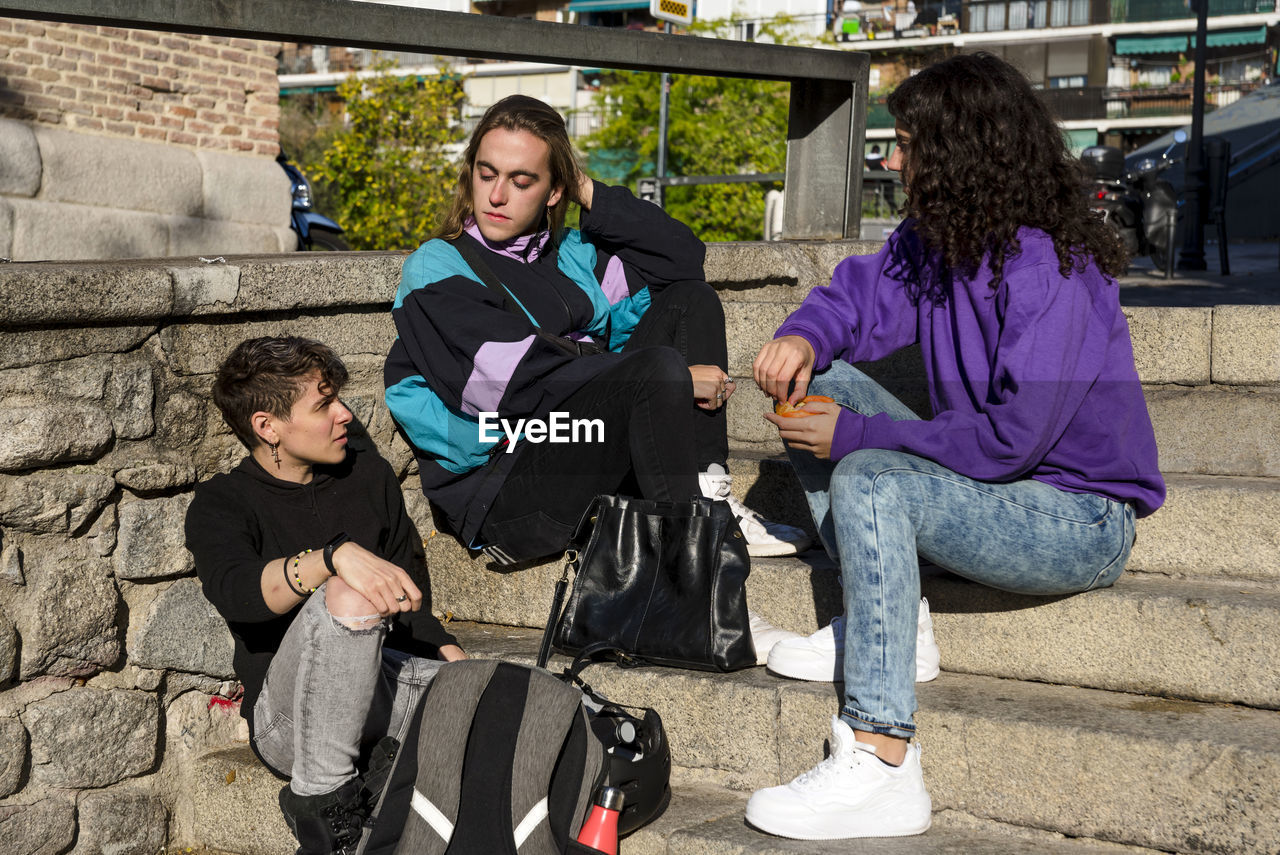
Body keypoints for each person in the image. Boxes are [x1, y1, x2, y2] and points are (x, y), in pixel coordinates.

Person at [745, 52, 1165, 840]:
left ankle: (882, 758)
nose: (892, 159)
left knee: (869, 474)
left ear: (961, 151)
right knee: (821, 385)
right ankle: (897, 627)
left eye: (905, 143)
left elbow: (1011, 441)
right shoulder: (940, 241)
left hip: (1078, 515)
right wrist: (802, 334)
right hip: (996, 490)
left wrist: (860, 436)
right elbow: (859, 294)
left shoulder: (1053, 272)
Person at [383, 94, 808, 654]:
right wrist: (670, 376)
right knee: (655, 369)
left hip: (577, 439)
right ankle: (695, 596)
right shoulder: (437, 266)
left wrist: (585, 188)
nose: (497, 195)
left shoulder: (570, 256)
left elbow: (684, 258)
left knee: (689, 300)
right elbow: (511, 385)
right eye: (486, 174)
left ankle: (706, 495)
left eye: (522, 180)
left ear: (553, 190)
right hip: (505, 473)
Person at [186, 336, 465, 855]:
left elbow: (412, 602)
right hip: (290, 719)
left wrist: (456, 666)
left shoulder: (369, 477)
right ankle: (324, 811)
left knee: (504, 693)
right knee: (349, 592)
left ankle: (385, 766)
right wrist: (333, 558)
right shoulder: (223, 502)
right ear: (267, 426)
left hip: (380, 685)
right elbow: (240, 596)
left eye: (338, 398)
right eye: (323, 405)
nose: (345, 415)